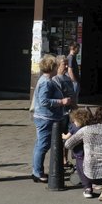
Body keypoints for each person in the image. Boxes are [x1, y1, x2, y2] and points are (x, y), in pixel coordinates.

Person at [64, 105, 102, 202]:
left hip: (90, 174)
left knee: (80, 159)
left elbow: (68, 144)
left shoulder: (86, 130)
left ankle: (88, 188)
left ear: (96, 116)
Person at [31, 54, 72, 183]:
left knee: (41, 144)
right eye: (56, 65)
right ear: (52, 67)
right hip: (46, 118)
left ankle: (37, 171)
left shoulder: (47, 80)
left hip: (48, 117)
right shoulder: (46, 82)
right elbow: (44, 101)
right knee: (42, 145)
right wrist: (62, 101)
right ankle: (37, 173)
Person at [61, 107, 94, 198]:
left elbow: (67, 137)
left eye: (74, 120)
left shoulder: (74, 128)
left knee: (81, 169)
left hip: (79, 153)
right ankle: (93, 182)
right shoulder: (89, 128)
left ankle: (87, 187)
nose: (73, 122)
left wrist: (62, 135)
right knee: (89, 168)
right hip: (89, 153)